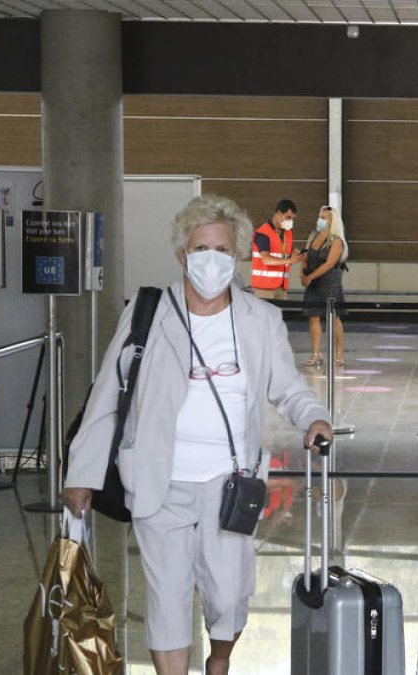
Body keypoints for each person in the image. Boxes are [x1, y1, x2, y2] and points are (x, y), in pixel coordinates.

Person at [62, 194, 333, 675]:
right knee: (167, 594)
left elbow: (288, 387)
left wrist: (314, 416)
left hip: (231, 483)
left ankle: (220, 660)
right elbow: (107, 394)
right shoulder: (148, 312)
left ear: (238, 255)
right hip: (157, 479)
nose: (211, 258)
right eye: (201, 247)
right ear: (182, 254)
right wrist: (80, 473)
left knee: (228, 594)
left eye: (223, 249)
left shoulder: (260, 320)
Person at [300, 205, 348, 368]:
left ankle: (339, 355)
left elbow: (329, 264)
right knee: (313, 316)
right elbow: (305, 254)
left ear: (332, 221)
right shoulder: (313, 235)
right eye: (319, 216)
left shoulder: (336, 241)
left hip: (329, 281)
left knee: (334, 318)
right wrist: (303, 273)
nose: (320, 220)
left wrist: (310, 277)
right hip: (312, 280)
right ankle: (315, 355)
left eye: (324, 218)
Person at [250, 198, 304, 300]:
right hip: (264, 288)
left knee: (279, 315)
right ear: (279, 213)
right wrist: (290, 260)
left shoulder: (287, 233)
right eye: (288, 217)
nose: (290, 221)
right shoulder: (263, 233)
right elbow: (266, 259)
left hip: (281, 287)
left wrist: (296, 254)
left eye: (292, 218)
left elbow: (285, 253)